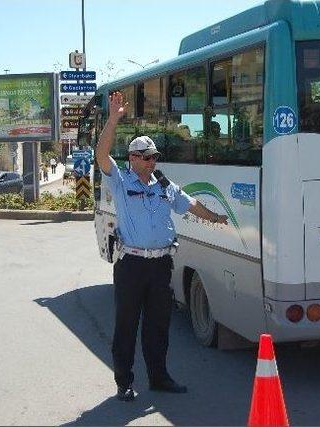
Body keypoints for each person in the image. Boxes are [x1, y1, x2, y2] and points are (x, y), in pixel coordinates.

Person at [96, 91, 228, 402]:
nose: (152, 161)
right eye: (147, 157)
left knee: (158, 326)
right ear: (133, 159)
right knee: (126, 326)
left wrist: (215, 217)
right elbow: (101, 154)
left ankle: (158, 377)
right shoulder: (120, 180)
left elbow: (190, 203)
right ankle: (124, 382)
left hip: (160, 265)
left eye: (155, 156)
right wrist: (113, 118)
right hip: (131, 265)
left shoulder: (164, 185)